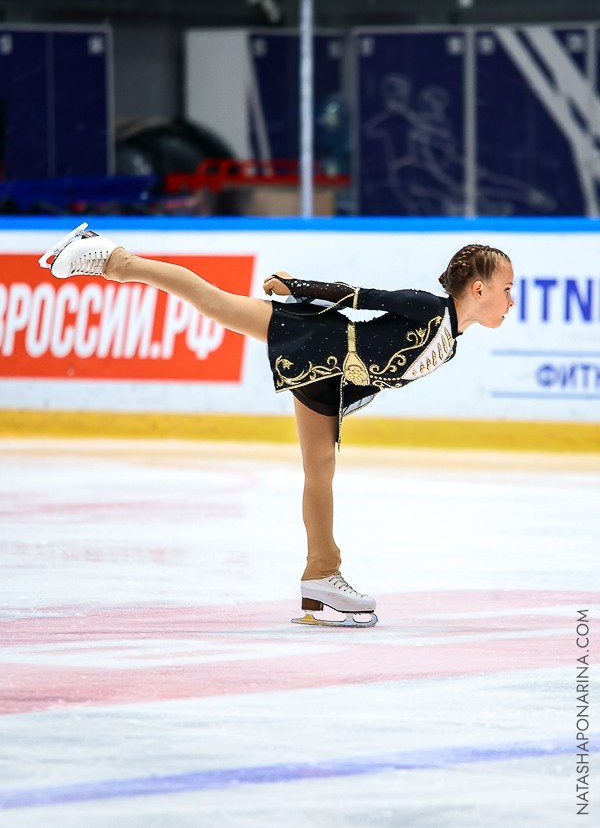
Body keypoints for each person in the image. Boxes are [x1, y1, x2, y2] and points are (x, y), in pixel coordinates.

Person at [39, 224, 515, 628]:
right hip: (317, 340)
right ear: (479, 288)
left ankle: (320, 575)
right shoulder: (431, 309)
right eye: (507, 288)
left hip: (331, 377)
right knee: (215, 303)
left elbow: (381, 369)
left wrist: (345, 403)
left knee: (320, 469)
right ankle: (110, 259)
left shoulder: (450, 340)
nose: (511, 299)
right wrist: (298, 287)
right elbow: (360, 296)